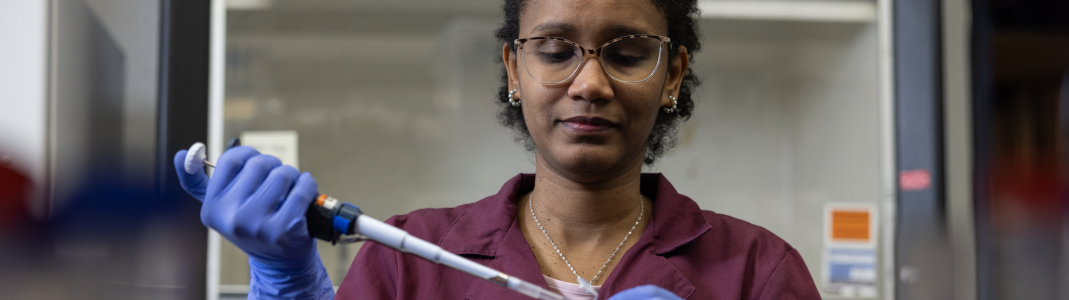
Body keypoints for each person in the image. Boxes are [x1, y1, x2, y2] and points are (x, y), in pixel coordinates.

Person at [174, 0, 822, 298]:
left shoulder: (756, 273)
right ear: (514, 71)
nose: (589, 82)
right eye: (555, 50)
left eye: (626, 53)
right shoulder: (405, 264)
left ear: (673, 75)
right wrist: (283, 284)